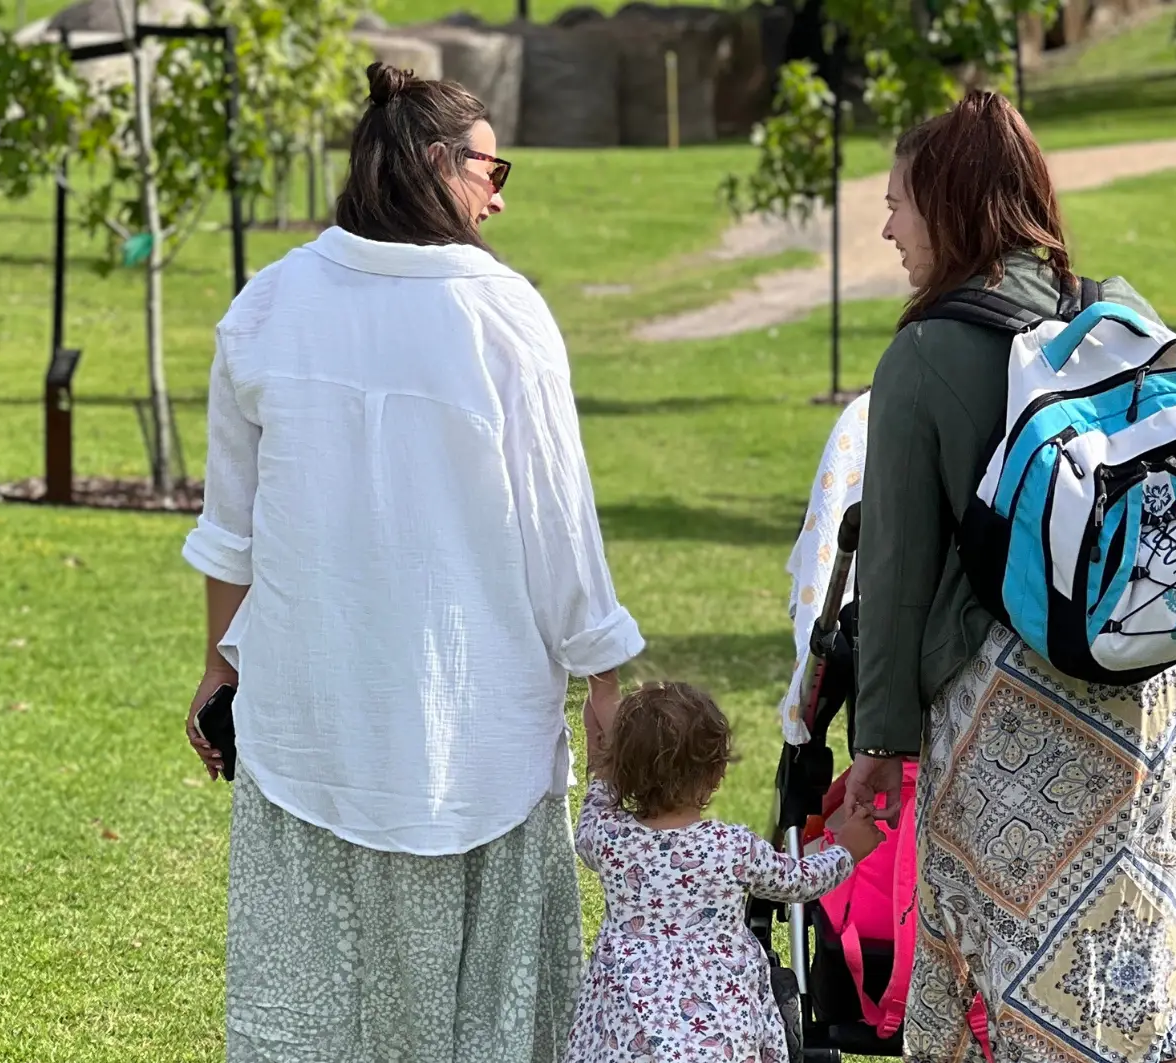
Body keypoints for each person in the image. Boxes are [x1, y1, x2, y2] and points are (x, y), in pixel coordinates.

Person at [181, 62, 644, 1063]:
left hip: (310, 729)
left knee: (314, 1025)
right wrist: (604, 677)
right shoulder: (504, 313)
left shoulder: (268, 304)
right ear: (437, 163)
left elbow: (231, 532)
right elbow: (560, 527)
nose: (501, 192)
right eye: (491, 166)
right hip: (481, 734)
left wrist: (221, 671)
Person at [844, 92, 1176, 1063]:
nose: (887, 225)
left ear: (953, 206)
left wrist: (879, 744)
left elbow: (891, 575)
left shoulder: (924, 356)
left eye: (900, 203)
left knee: (1003, 981)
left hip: (1015, 722)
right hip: (1161, 706)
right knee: (1162, 957)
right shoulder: (1117, 316)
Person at [567, 682, 883, 1063]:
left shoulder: (608, 837)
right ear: (716, 773)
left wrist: (596, 746)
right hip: (715, 1015)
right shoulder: (730, 846)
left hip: (629, 1015)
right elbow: (799, 881)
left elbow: (596, 800)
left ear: (621, 769)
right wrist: (847, 850)